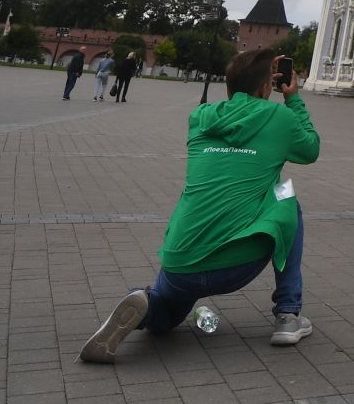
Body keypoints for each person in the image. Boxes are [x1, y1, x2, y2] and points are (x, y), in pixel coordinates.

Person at [79, 48, 318, 363]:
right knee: (286, 195)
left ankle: (146, 305)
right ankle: (288, 315)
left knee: (168, 316)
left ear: (228, 86)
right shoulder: (280, 117)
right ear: (266, 88)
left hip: (181, 262)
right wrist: (293, 99)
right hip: (236, 264)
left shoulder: (200, 117)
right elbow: (310, 149)